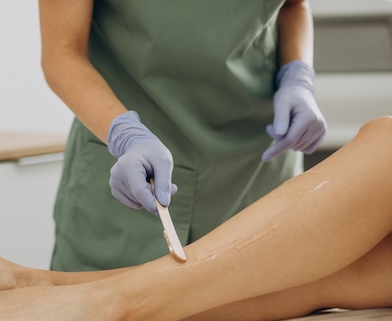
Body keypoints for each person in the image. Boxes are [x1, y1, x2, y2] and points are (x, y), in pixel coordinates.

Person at [0, 116, 392, 321]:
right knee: (352, 264)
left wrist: (297, 69)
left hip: (246, 135)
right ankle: (34, 286)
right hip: (148, 112)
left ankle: (108, 308)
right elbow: (60, 49)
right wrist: (122, 129)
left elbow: (292, 8)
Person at [39, 0, 327, 271]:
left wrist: (298, 76)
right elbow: (62, 54)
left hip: (258, 167)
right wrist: (125, 135)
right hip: (135, 172)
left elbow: (294, 5)